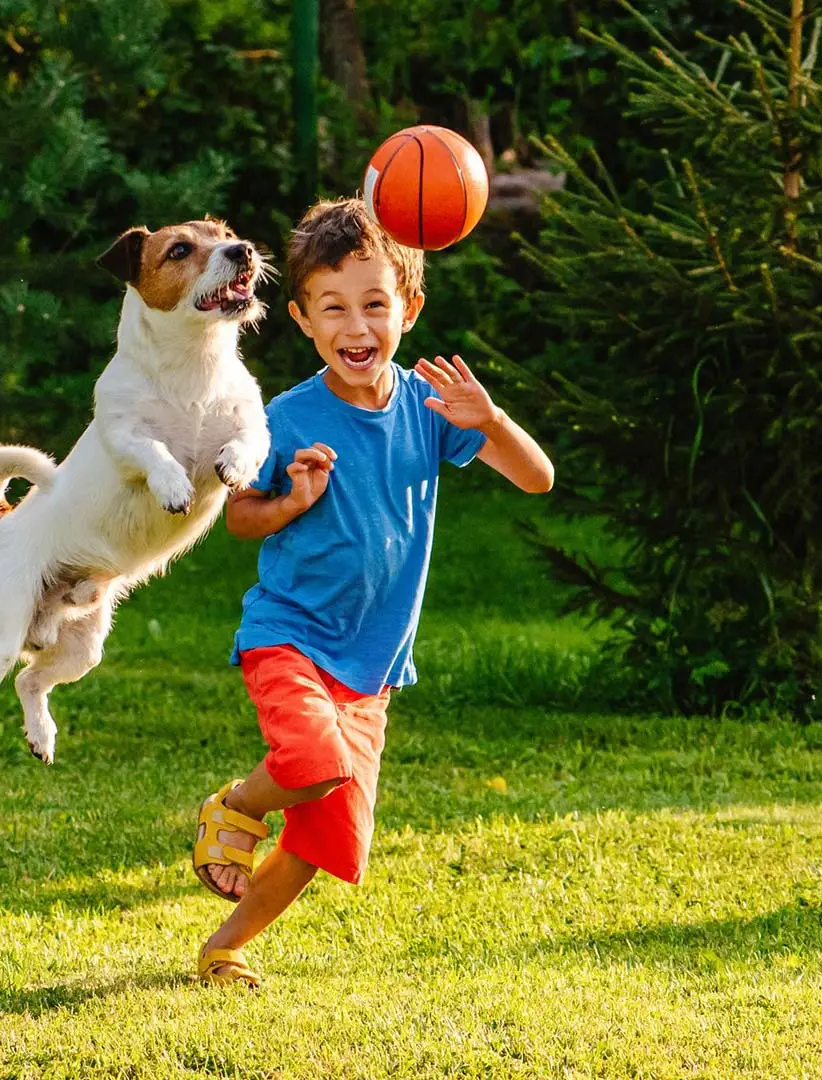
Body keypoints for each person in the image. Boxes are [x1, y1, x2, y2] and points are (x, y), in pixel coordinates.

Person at [190, 197, 557, 988]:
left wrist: (489, 419)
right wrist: (289, 502)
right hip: (290, 634)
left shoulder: (433, 408)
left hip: (371, 667)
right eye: (334, 309)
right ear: (301, 319)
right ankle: (237, 807)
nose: (356, 328)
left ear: (409, 309)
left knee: (325, 841)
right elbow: (239, 519)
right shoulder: (284, 417)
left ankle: (226, 946)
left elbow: (537, 478)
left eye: (375, 305)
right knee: (311, 761)